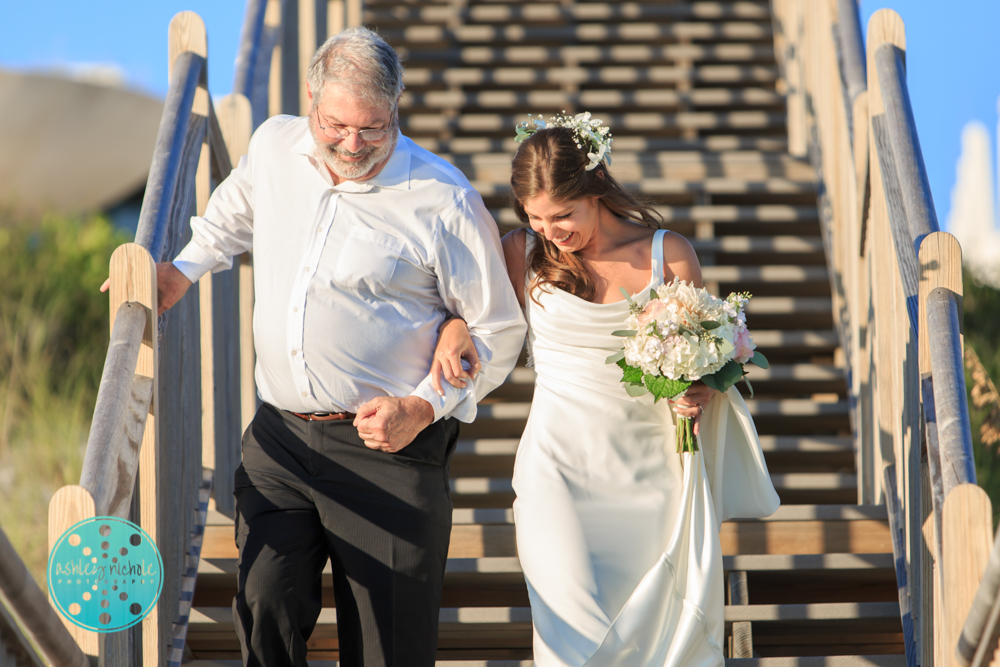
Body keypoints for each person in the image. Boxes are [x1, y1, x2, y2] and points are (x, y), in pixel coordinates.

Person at [148, 27, 527, 667]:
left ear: (397, 110)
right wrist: (178, 272)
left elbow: (496, 328)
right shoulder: (273, 145)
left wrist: (425, 407)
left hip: (393, 452)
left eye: (373, 130)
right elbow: (229, 217)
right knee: (265, 599)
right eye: (335, 125)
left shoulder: (443, 196)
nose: (352, 145)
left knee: (388, 648)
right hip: (282, 440)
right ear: (310, 99)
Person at [433, 114, 780, 666]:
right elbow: (476, 322)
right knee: (572, 638)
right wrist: (453, 327)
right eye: (536, 217)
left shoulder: (669, 254)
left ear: (597, 189)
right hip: (559, 468)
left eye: (563, 215)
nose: (552, 230)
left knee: (654, 638)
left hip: (651, 473)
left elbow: (709, 358)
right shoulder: (522, 251)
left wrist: (699, 389)